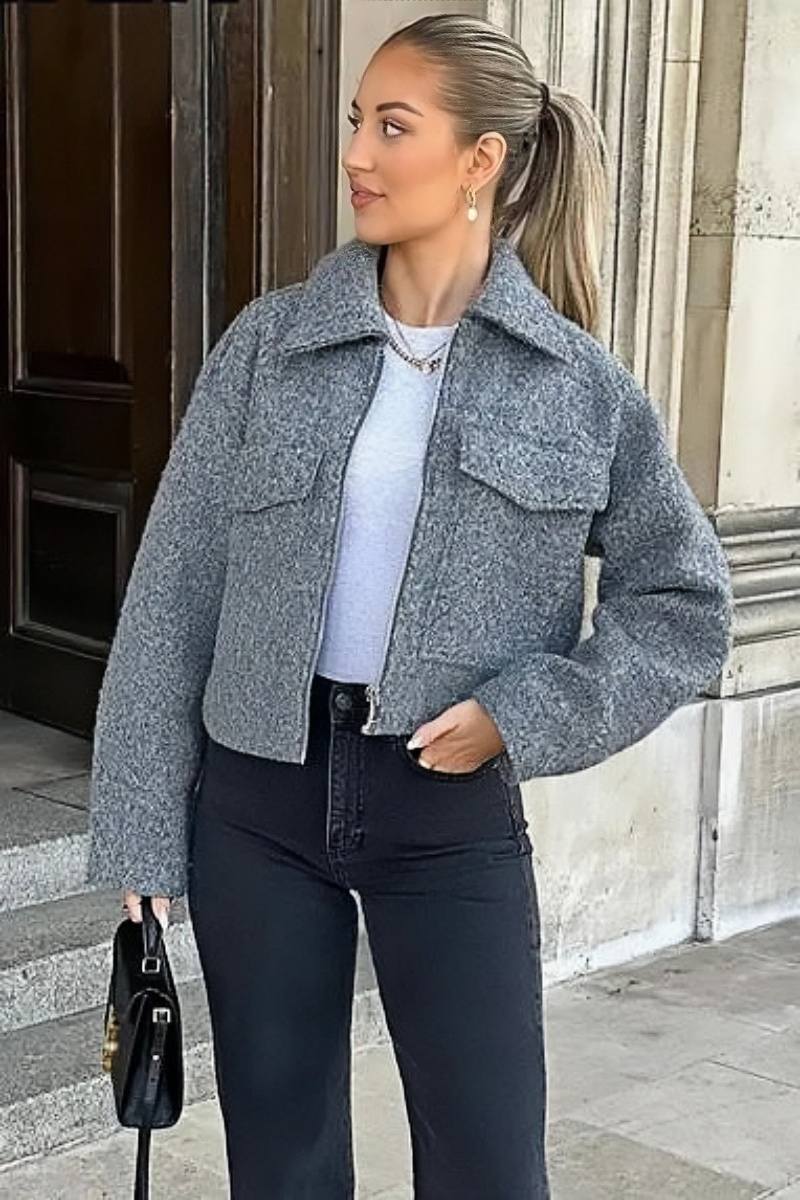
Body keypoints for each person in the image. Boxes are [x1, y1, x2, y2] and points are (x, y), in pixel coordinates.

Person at [86, 13, 733, 1198]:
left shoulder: (574, 386)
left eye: (393, 126)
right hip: (255, 800)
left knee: (488, 1163)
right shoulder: (269, 346)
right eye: (356, 122)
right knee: (280, 1162)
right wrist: (138, 816)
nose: (357, 155)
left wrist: (522, 715)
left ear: (479, 159)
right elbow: (174, 589)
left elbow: (683, 606)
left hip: (445, 808)